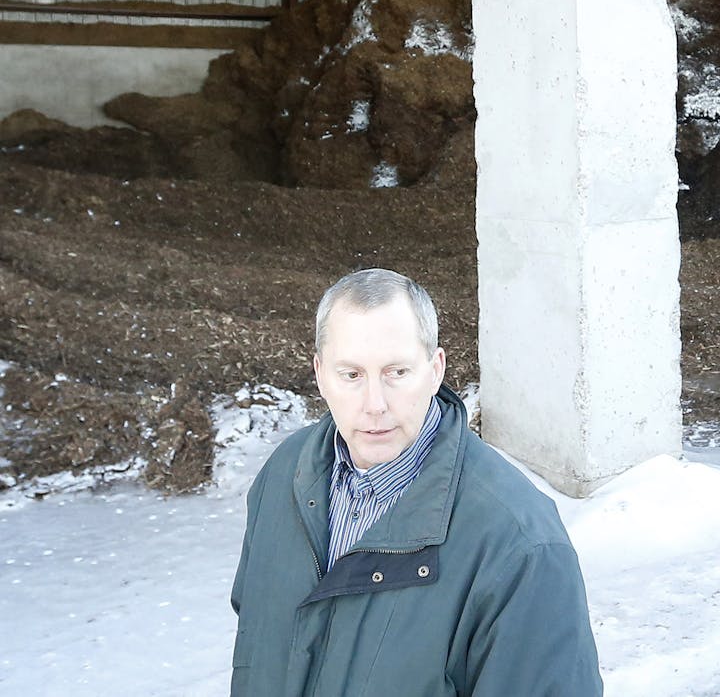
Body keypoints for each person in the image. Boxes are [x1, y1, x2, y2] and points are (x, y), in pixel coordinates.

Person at [230, 268, 603, 696]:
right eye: (351, 375)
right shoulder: (284, 477)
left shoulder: (520, 544)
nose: (374, 405)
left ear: (435, 369)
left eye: (397, 372)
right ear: (319, 374)